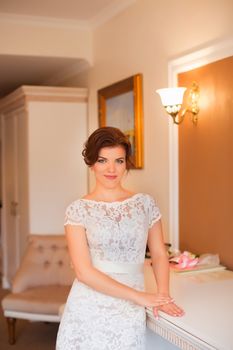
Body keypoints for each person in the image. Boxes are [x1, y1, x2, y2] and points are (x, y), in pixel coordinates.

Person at [56, 126, 184, 350]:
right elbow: (84, 272)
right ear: (91, 163)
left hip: (128, 308)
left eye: (119, 161)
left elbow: (159, 253)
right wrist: (140, 297)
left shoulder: (145, 204)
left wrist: (163, 294)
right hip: (88, 304)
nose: (111, 169)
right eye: (103, 160)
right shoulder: (77, 210)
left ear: (127, 163)